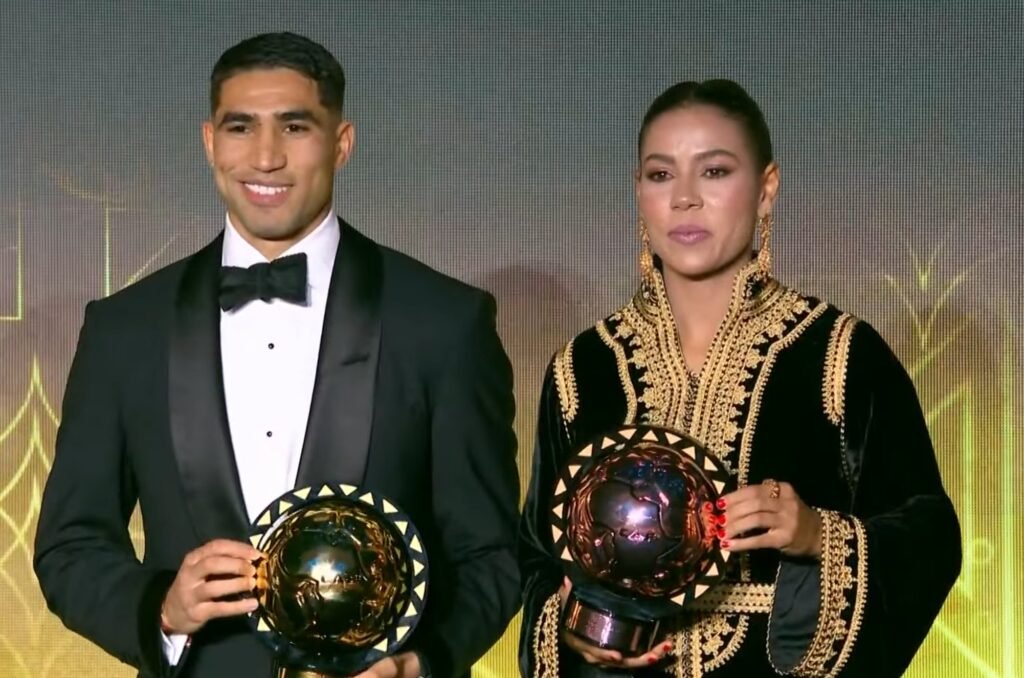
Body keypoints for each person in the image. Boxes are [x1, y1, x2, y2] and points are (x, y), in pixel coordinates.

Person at [34, 32, 521, 678]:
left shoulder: (444, 322)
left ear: (341, 143)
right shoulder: (124, 329)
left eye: (295, 127)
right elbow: (71, 545)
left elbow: (490, 554)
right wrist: (162, 610)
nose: (265, 157)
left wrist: (422, 664)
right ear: (210, 141)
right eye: (241, 128)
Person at [517, 79, 961, 677]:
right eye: (660, 174)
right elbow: (537, 559)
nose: (684, 200)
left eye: (715, 171)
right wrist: (574, 626)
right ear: (638, 193)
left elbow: (929, 534)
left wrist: (817, 537)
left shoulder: (837, 353)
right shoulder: (584, 366)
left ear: (767, 189)